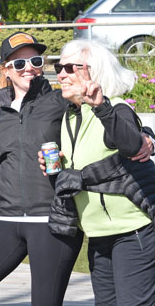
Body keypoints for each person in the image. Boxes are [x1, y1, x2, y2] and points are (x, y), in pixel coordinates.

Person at [0, 32, 153, 305]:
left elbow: (109, 111)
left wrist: (146, 135)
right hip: (2, 218)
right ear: (6, 70)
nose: (28, 68)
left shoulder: (62, 101)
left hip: (51, 221)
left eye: (35, 61)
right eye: (19, 63)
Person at [53, 39, 155, 304]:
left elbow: (132, 144)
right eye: (58, 66)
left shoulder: (115, 107)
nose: (61, 74)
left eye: (69, 68)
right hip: (97, 234)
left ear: (93, 71)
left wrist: (101, 107)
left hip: (132, 231)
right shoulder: (71, 114)